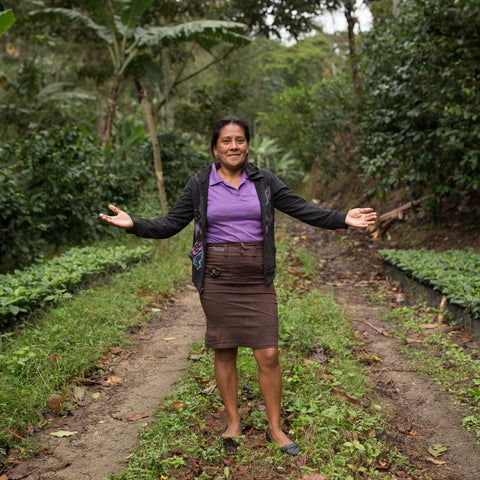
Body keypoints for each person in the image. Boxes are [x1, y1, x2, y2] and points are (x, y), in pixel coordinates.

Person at [99, 115, 377, 456]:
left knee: (269, 353)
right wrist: (135, 225)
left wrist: (341, 219)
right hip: (217, 279)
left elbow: (302, 208)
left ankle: (275, 427)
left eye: (240, 140)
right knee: (225, 349)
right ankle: (233, 422)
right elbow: (171, 223)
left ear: (248, 144)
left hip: (256, 278)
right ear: (215, 146)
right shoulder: (201, 183)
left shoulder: (264, 181)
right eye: (227, 141)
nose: (234, 146)